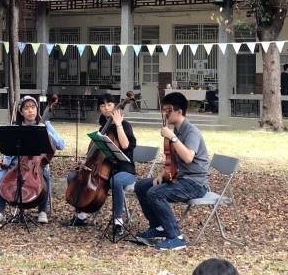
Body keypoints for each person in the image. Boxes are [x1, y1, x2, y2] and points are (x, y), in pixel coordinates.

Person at [134, 91, 209, 251]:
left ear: (179, 112)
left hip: (195, 184)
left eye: (168, 110)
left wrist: (172, 138)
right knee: (141, 186)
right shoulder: (177, 130)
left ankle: (176, 237)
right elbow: (174, 160)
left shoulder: (191, 132)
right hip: (180, 179)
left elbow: (188, 157)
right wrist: (162, 174)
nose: (164, 113)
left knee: (155, 193)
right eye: (164, 110)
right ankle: (159, 227)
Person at [64, 93, 136, 235]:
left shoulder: (125, 125)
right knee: (73, 177)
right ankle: (81, 216)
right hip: (102, 170)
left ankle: (118, 221)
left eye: (109, 104)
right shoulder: (102, 128)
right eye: (102, 106)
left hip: (124, 169)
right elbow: (98, 155)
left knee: (116, 182)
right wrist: (84, 162)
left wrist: (119, 124)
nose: (106, 108)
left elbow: (125, 145)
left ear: (115, 106)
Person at [0, 95, 65, 225]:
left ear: (37, 109)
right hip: (14, 167)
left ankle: (42, 211)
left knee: (44, 175)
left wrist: (45, 130)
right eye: (26, 108)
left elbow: (61, 145)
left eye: (33, 107)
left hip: (36, 166)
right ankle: (0, 212)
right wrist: (4, 160)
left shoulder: (45, 124)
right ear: (21, 111)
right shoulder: (15, 127)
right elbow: (7, 150)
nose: (30, 111)